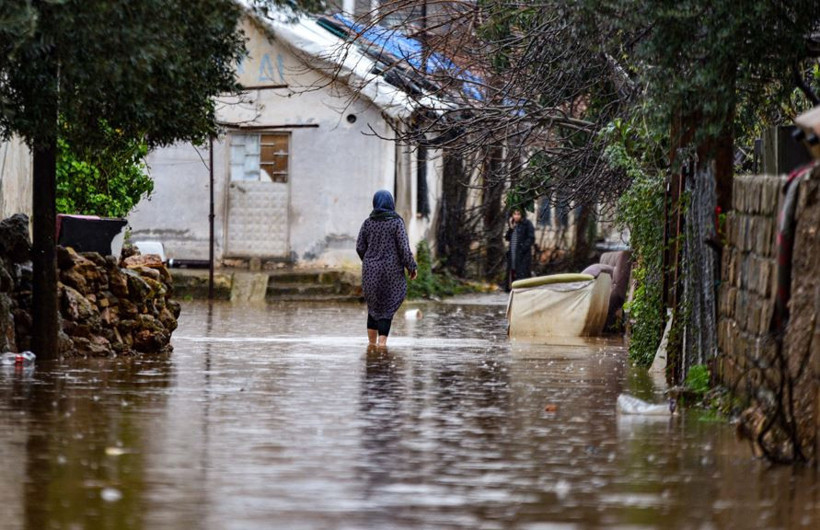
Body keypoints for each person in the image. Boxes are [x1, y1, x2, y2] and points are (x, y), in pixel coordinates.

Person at [356, 190, 418, 348]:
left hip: (371, 272)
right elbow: (404, 248)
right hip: (391, 272)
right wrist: (411, 267)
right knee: (387, 308)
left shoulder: (367, 223)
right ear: (391, 203)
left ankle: (371, 346)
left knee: (373, 307)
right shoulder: (396, 222)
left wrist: (370, 261)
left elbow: (360, 247)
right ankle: (382, 346)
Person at [505, 208, 535, 291]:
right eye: (514, 214)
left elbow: (531, 238)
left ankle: (522, 289)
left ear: (522, 215)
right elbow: (507, 238)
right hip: (513, 252)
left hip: (523, 254)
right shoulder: (513, 225)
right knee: (512, 270)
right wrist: (511, 228)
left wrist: (523, 248)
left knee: (522, 272)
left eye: (518, 214)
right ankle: (512, 288)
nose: (516, 216)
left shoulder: (527, 224)